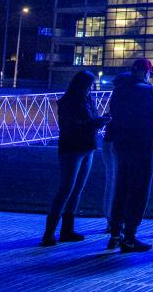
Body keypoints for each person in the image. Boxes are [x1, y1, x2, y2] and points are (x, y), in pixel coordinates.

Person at [107, 57, 153, 253]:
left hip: (122, 144)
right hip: (143, 145)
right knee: (139, 190)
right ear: (145, 72)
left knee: (121, 187)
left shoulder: (119, 89)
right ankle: (130, 235)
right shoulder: (146, 91)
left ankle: (115, 233)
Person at [40, 71, 107, 246]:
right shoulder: (69, 102)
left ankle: (66, 230)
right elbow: (71, 126)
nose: (91, 88)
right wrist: (95, 123)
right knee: (66, 188)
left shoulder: (88, 100)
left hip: (88, 147)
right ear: (81, 84)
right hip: (72, 148)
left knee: (77, 189)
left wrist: (99, 121)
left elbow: (89, 121)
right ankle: (49, 232)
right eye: (90, 85)